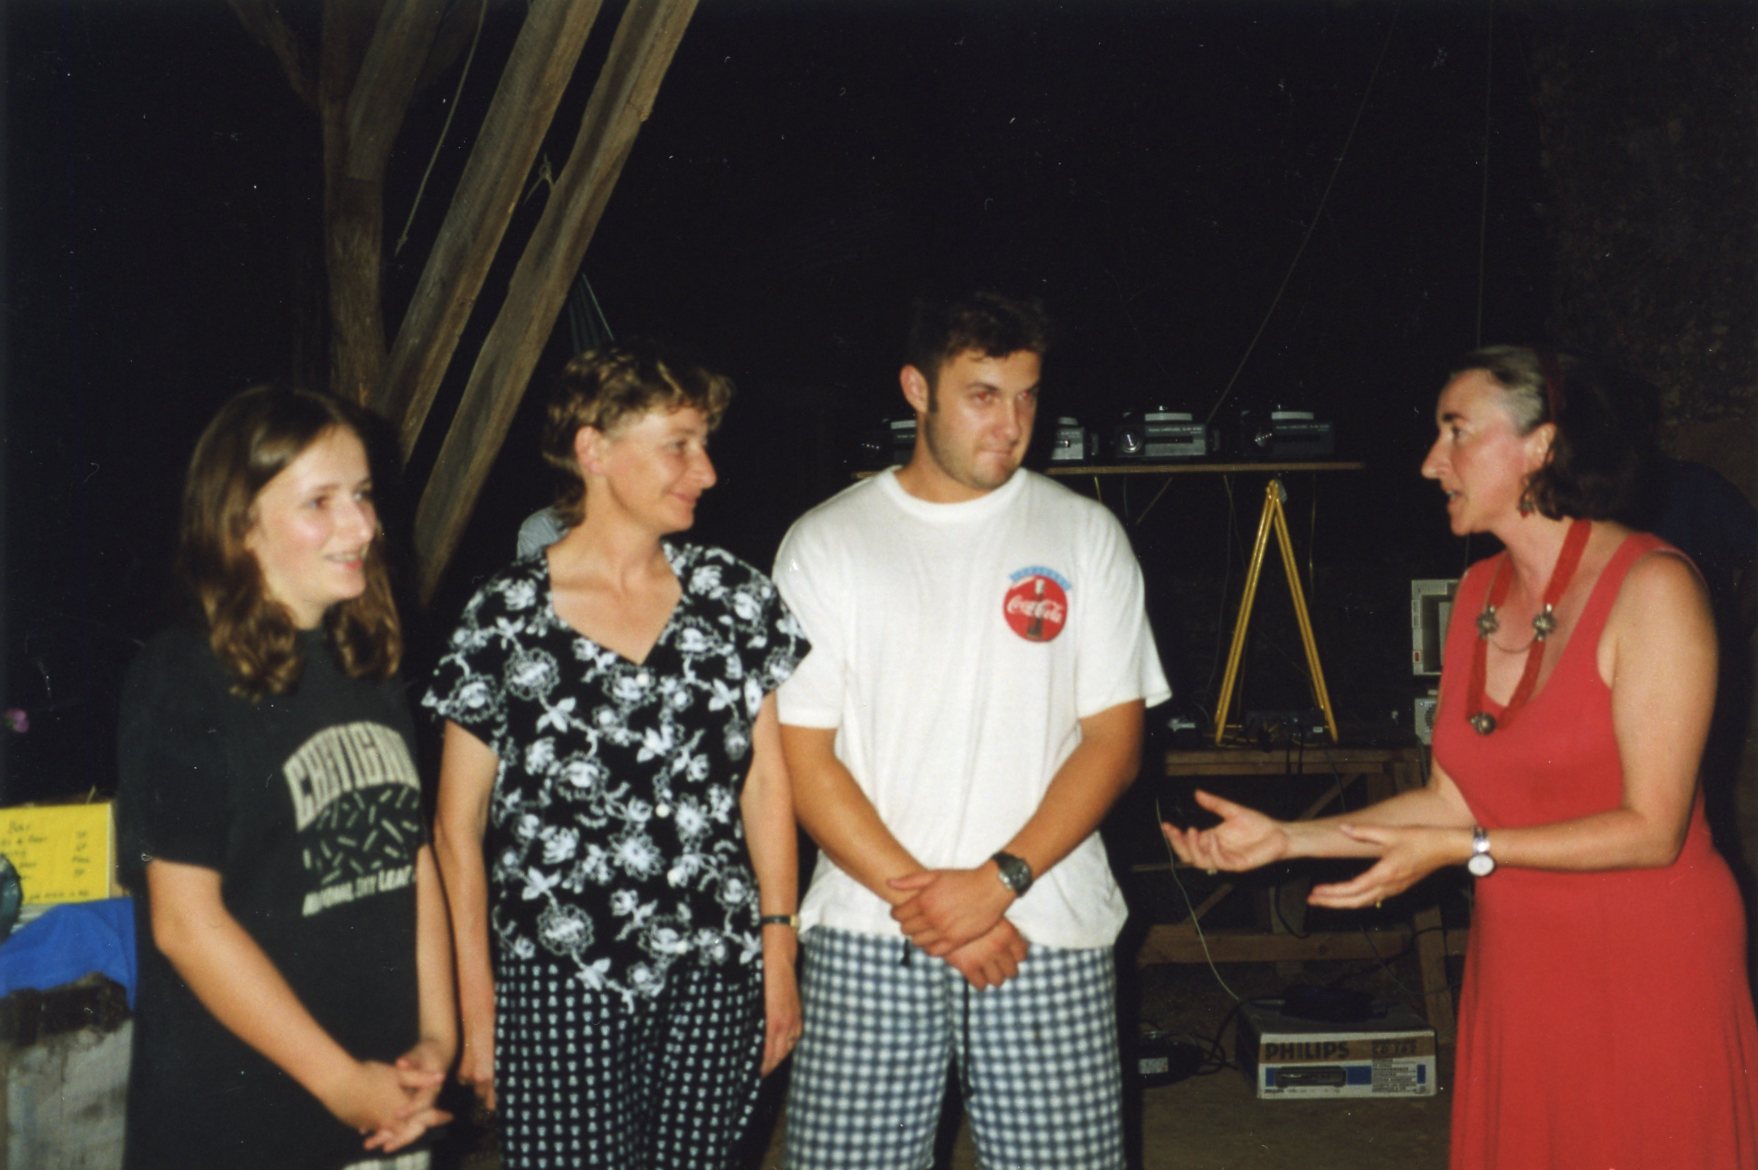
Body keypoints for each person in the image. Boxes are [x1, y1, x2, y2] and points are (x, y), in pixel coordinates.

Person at [1164, 345, 1758, 1169]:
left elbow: (1653, 830)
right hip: (1520, 960)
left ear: (1541, 446)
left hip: (1646, 961)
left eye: (1456, 431)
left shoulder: (1654, 587)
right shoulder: (1478, 594)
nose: (1430, 461)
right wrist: (1290, 839)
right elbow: (1451, 799)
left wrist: (1464, 849)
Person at [773, 290, 1171, 1170]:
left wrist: (999, 882)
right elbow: (802, 756)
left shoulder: (1085, 534)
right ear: (917, 389)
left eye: (1027, 397)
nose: (1012, 425)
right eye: (983, 396)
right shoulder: (829, 542)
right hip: (872, 931)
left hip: (1045, 925)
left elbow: (1113, 744)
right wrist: (938, 906)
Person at [425, 343, 808, 1170]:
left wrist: (779, 952)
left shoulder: (735, 598)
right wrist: (478, 1009)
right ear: (593, 450)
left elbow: (767, 784)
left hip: (715, 969)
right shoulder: (504, 615)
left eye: (705, 444)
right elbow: (456, 829)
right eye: (679, 445)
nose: (706, 471)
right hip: (559, 976)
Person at [116, 386, 455, 1170]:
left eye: (362, 495)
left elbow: (413, 861)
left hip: (390, 1104)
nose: (361, 526)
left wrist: (439, 1038)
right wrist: (340, 1083)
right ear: (239, 524)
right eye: (320, 502)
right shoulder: (183, 679)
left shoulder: (367, 663)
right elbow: (185, 924)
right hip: (247, 1123)